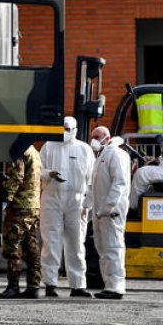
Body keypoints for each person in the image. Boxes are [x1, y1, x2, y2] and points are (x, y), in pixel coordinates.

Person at [39, 117, 96, 298]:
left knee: (77, 242)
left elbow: (92, 180)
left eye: (69, 128)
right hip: (52, 198)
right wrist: (50, 174)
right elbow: (39, 171)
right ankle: (50, 284)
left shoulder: (84, 149)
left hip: (76, 201)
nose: (66, 132)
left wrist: (88, 204)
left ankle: (78, 285)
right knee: (51, 241)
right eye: (63, 128)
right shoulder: (48, 146)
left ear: (76, 129)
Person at [89, 125, 130, 300]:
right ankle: (109, 284)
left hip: (111, 211)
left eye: (97, 136)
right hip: (101, 210)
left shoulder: (115, 154)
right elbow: (95, 186)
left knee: (113, 246)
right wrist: (88, 205)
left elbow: (119, 182)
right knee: (103, 246)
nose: (94, 140)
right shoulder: (101, 157)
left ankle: (116, 286)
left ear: (107, 137)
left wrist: (109, 206)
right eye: (92, 136)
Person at [0, 144, 43, 299]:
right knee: (31, 247)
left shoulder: (20, 151)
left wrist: (6, 198)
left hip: (20, 206)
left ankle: (13, 286)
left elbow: (17, 176)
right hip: (33, 205)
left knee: (13, 245)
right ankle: (34, 286)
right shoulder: (34, 152)